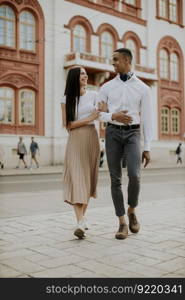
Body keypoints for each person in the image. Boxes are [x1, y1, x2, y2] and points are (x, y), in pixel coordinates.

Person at [98, 48, 153, 240]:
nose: (112, 63)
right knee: (115, 179)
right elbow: (98, 114)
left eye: (115, 60)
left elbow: (147, 119)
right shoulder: (105, 88)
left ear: (127, 60)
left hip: (133, 133)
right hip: (112, 132)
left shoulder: (143, 88)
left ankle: (131, 210)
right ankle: (122, 223)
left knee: (134, 175)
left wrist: (147, 147)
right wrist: (113, 115)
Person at [61, 66, 100, 239]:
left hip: (91, 139)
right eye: (81, 74)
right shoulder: (66, 99)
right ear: (74, 78)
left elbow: (102, 113)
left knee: (88, 180)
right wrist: (89, 119)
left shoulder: (94, 95)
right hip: (75, 141)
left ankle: (81, 222)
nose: (85, 76)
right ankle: (81, 222)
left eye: (85, 73)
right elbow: (68, 125)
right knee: (77, 180)